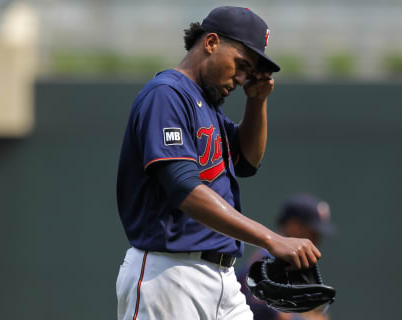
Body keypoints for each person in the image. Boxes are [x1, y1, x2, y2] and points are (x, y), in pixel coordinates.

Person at [115, 6, 322, 320]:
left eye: (250, 70)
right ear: (211, 42)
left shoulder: (207, 104)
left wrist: (257, 100)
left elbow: (247, 161)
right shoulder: (167, 95)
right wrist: (271, 238)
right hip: (169, 274)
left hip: (222, 279)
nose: (242, 78)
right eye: (241, 64)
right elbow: (185, 189)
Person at [237, 194, 336, 320]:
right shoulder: (267, 263)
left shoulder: (294, 264)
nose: (318, 240)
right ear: (294, 226)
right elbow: (267, 312)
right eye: (313, 232)